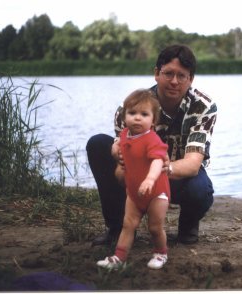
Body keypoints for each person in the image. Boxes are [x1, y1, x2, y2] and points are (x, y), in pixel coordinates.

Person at [86, 44, 217, 246]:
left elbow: (192, 164)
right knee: (97, 144)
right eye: (168, 74)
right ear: (156, 73)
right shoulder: (131, 107)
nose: (174, 81)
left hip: (175, 175)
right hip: (137, 175)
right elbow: (121, 160)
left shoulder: (203, 107)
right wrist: (116, 151)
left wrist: (163, 168)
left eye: (182, 76)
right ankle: (118, 228)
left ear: (190, 79)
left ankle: (187, 229)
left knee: (200, 189)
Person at [97, 89, 170, 270]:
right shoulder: (124, 135)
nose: (137, 118)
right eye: (132, 113)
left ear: (154, 121)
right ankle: (119, 258)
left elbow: (157, 160)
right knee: (128, 224)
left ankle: (161, 252)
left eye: (144, 114)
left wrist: (150, 179)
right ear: (124, 116)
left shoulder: (152, 139)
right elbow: (122, 149)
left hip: (156, 192)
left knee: (154, 227)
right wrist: (115, 149)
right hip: (134, 192)